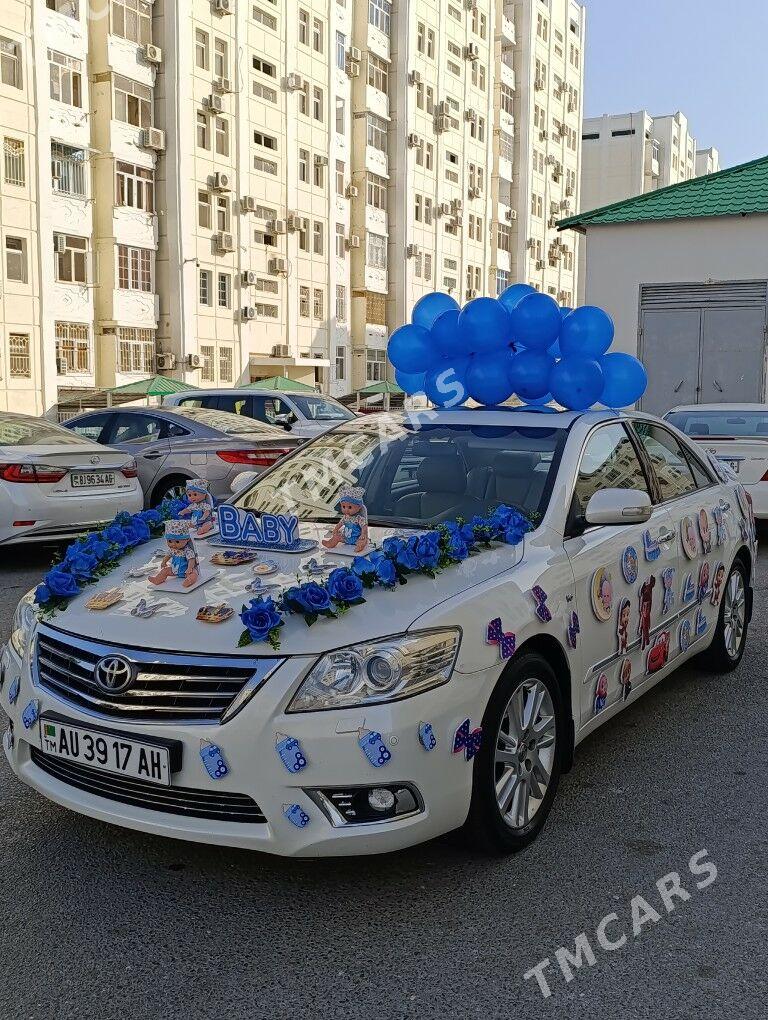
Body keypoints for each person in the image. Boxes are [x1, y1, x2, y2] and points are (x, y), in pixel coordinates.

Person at [150, 520, 200, 589]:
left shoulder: (187, 550)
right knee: (165, 571)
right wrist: (164, 562)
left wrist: (190, 568)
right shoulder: (172, 550)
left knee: (194, 574)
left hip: (186, 571)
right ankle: (157, 579)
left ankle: (189, 580)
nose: (173, 544)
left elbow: (191, 559)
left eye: (177, 541)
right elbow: (167, 556)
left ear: (187, 539)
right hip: (175, 570)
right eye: (170, 541)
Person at [322, 485, 369, 554]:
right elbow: (340, 523)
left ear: (359, 507)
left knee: (362, 540)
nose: (346, 510)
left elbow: (364, 526)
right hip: (346, 538)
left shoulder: (359, 518)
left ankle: (360, 546)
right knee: (337, 537)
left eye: (350, 507)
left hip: (356, 538)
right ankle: (330, 543)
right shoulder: (345, 517)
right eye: (343, 506)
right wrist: (335, 529)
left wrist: (363, 534)